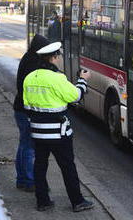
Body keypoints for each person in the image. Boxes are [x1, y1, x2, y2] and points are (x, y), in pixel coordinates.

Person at [23, 37, 94, 212]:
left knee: (40, 165)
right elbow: (75, 96)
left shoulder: (29, 77)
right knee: (67, 166)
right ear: (53, 58)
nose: (61, 58)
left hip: (37, 132)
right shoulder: (57, 78)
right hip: (58, 133)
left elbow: (26, 105)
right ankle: (77, 201)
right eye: (59, 55)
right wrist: (83, 80)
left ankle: (43, 201)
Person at [13, 34, 51, 192]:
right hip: (27, 110)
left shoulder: (28, 57)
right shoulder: (34, 63)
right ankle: (29, 181)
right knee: (29, 147)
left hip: (20, 108)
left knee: (23, 145)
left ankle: (21, 179)